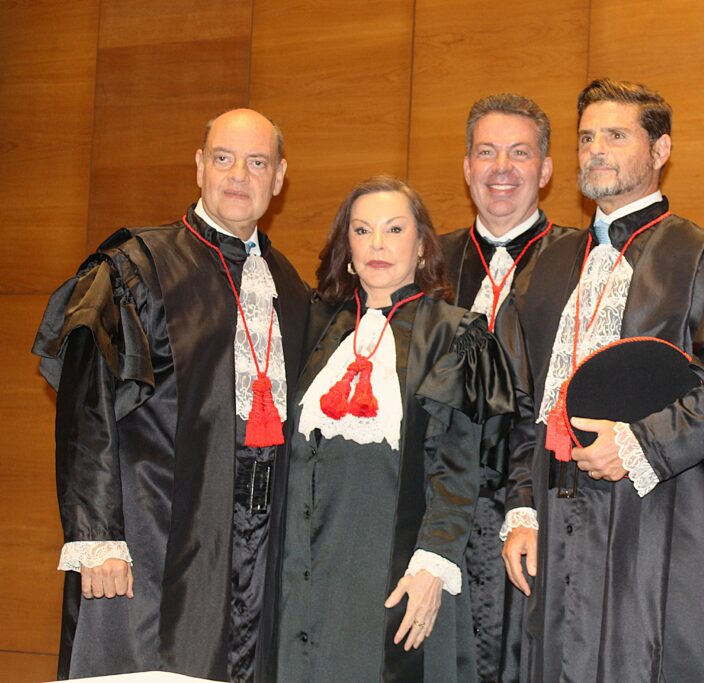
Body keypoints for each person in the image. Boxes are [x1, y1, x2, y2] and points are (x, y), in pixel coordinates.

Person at [500, 78, 704, 681]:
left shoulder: (701, 258)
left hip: (654, 518)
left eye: (616, 136)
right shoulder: (546, 264)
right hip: (555, 518)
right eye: (586, 138)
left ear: (660, 150)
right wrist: (522, 508)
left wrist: (642, 443)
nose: (596, 150)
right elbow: (525, 403)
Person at [32, 108, 309, 682]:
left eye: (257, 162)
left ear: (279, 177)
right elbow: (86, 408)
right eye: (224, 158)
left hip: (256, 555)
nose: (239, 175)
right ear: (200, 166)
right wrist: (98, 535)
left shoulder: (291, 287)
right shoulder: (137, 267)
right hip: (151, 540)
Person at [261, 176, 517, 682]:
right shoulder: (312, 326)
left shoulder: (458, 334)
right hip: (302, 575)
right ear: (347, 249)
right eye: (362, 230)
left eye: (394, 229)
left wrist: (433, 564)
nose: (377, 244)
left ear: (422, 246)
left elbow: (458, 469)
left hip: (395, 576)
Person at [439, 92, 572, 681]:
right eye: (486, 152)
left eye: (520, 153)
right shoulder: (428, 262)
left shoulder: (581, 261)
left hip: (540, 504)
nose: (501, 168)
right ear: (467, 166)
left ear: (545, 170)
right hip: (441, 506)